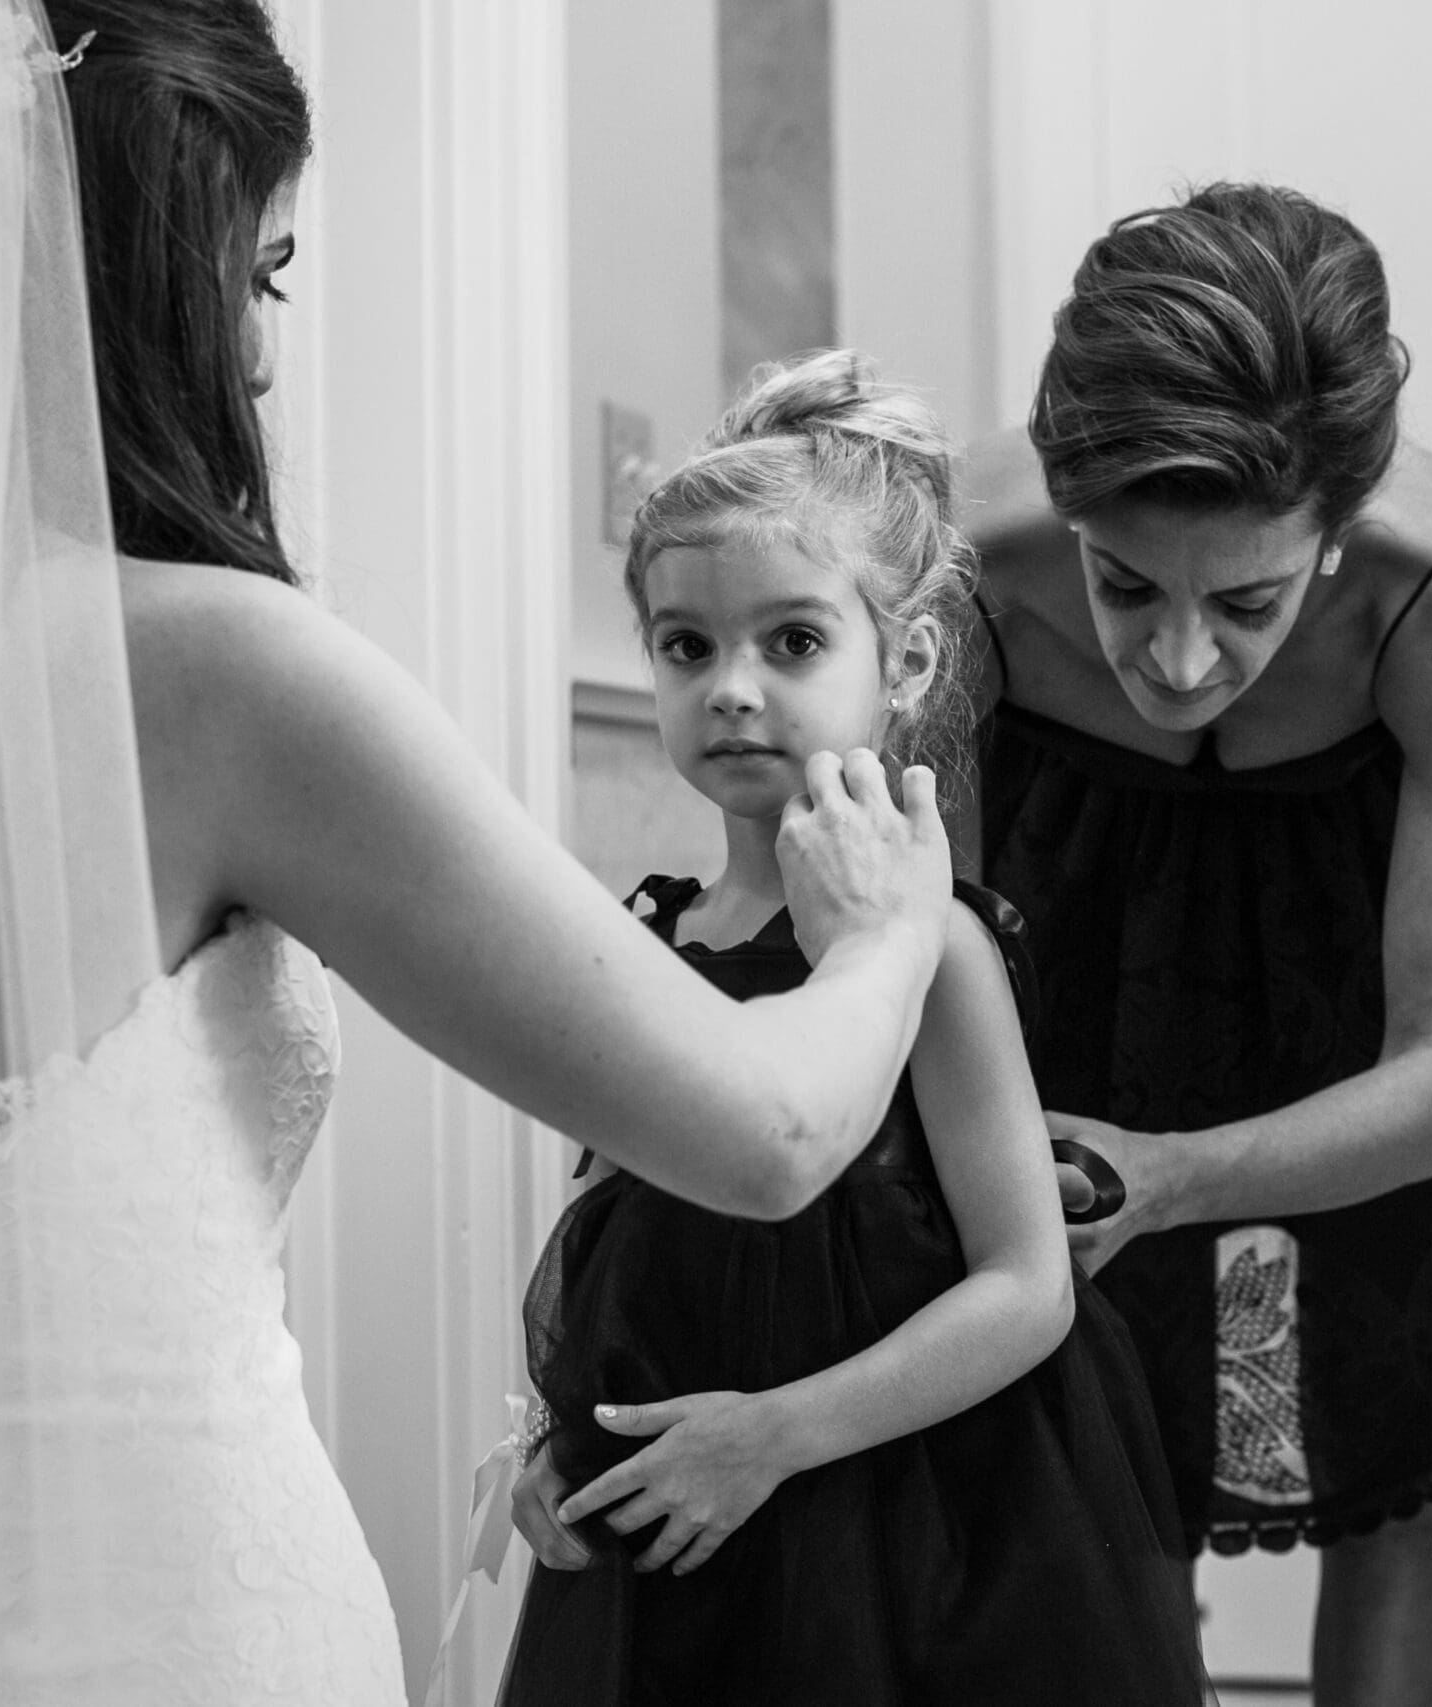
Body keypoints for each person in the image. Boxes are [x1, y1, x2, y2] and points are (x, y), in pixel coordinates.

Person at [0, 3, 954, 1702]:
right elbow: (766, 1135)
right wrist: (887, 936)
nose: (256, 353)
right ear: (128, 278)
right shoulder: (218, 676)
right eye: (256, 276)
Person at [967, 184, 1432, 1706]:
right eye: (1125, 584)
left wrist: (1181, 1172)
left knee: (1379, 1421)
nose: (1180, 660)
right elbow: (932, 958)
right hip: (1080, 911)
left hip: (1362, 924)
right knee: (1103, 1435)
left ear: (1334, 534)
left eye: (1247, 599)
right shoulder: (968, 565)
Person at [495, 353, 1209, 1707]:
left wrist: (775, 1436)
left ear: (909, 660)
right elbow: (616, 1234)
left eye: (794, 642)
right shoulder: (648, 936)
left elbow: (1028, 1287)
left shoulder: (930, 947)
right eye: (687, 647)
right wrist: (557, 1439)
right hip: (690, 1523)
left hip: (909, 1516)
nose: (732, 688)